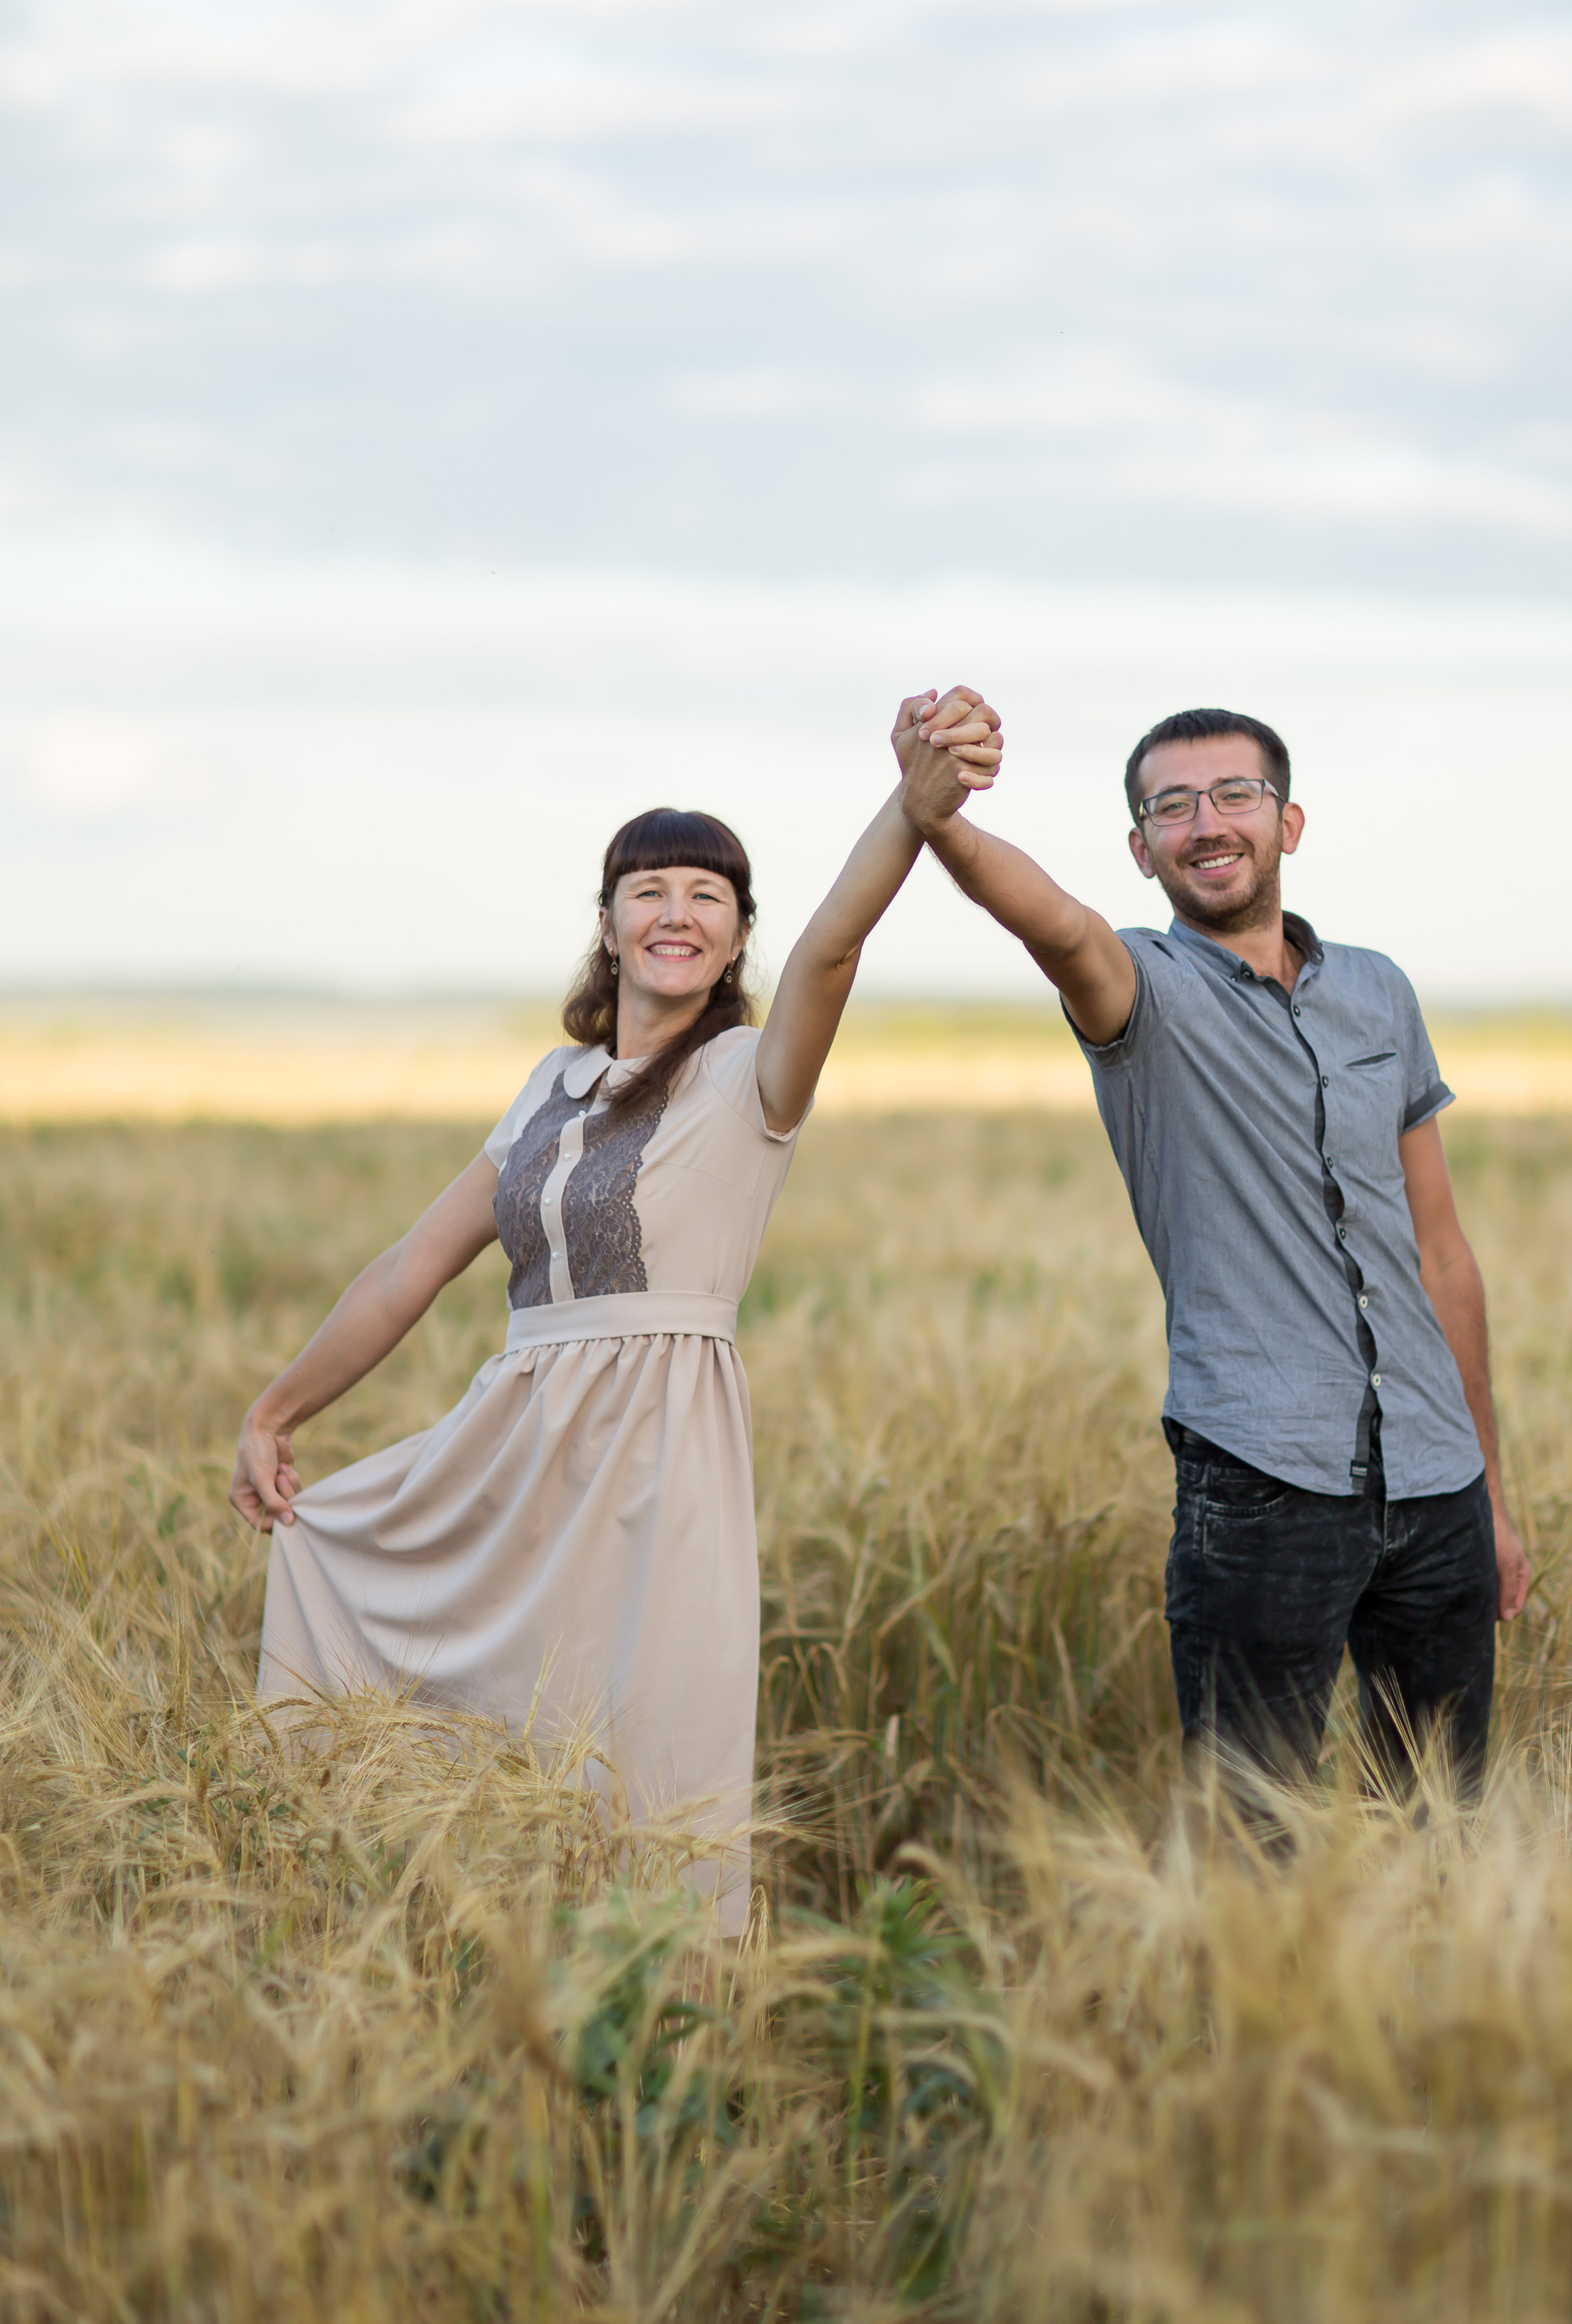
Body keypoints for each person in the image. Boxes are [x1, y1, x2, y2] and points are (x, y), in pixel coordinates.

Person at [231, 688, 1002, 1930]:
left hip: (658, 1457)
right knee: (475, 1736)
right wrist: (276, 1411)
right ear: (607, 923)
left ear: (738, 935)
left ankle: (670, 2012)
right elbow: (414, 1264)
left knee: (652, 1757)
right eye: (650, 890)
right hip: (513, 1452)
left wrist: (911, 810)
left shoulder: (750, 1078)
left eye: (708, 895)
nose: (676, 912)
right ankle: (450, 1960)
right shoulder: (554, 1083)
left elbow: (832, 951)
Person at [897, 698, 1531, 1812]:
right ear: (1141, 849)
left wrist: (1488, 1492)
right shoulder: (1141, 989)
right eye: (1172, 807)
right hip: (1262, 1484)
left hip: (1439, 1483)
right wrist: (940, 820)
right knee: (1251, 1839)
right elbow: (1056, 925)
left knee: (1444, 1823)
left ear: (1289, 822)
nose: (1207, 824)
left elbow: (1440, 1252)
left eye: (1236, 794)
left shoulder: (1379, 991)